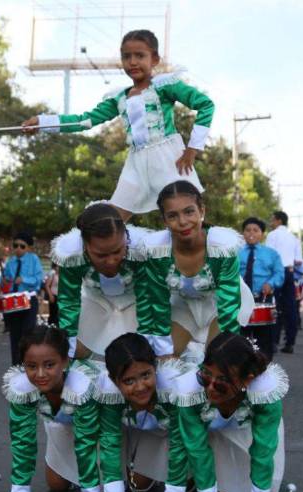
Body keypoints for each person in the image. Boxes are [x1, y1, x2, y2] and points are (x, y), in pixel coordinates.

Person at [22, 30, 214, 221]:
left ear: (154, 59)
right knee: (112, 220)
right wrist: (42, 123)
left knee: (185, 214)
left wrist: (192, 150)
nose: (132, 62)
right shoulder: (119, 97)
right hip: (136, 163)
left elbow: (206, 105)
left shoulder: (166, 85)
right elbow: (84, 120)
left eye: (140, 55)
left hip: (168, 158)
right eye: (126, 57)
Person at [83, 333, 208, 492]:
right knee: (138, 484)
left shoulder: (176, 385)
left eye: (146, 375)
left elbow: (180, 442)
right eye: (129, 381)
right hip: (151, 433)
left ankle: (190, 478)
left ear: (155, 367)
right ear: (114, 381)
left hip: (205, 433)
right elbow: (109, 442)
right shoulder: (107, 392)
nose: (140, 386)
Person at [173, 332, 288, 492]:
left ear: (246, 380)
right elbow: (197, 449)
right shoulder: (190, 390)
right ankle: (199, 482)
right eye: (206, 376)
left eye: (221, 382)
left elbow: (263, 450)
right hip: (212, 434)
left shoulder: (266, 393)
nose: (210, 388)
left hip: (247, 433)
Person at [0, 326, 98, 492]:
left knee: (133, 484)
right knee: (56, 485)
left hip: (102, 432)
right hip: (64, 428)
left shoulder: (83, 384)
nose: (40, 374)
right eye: (31, 366)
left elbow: (88, 442)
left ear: (65, 362)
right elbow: (22, 443)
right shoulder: (21, 389)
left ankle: (131, 464)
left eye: (49, 365)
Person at [136, 181, 249, 357]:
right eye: (172, 216)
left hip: (219, 307)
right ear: (164, 220)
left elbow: (229, 306)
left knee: (217, 359)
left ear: (201, 210)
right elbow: (158, 304)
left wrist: (227, 349)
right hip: (183, 307)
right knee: (162, 360)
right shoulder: (157, 252)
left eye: (189, 212)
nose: (183, 222)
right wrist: (161, 350)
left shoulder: (222, 247)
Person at [51, 202, 149, 359]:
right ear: (84, 246)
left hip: (136, 303)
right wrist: (67, 350)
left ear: (126, 238)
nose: (111, 261)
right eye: (101, 255)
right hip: (94, 301)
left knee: (141, 354)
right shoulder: (72, 256)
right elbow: (69, 303)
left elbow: (148, 298)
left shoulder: (143, 250)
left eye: (117, 251)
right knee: (77, 352)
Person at [238, 217, 284, 361]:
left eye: (255, 230)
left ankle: (264, 371)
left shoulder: (271, 254)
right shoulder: (235, 253)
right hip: (240, 299)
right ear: (243, 233)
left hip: (263, 298)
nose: (251, 233)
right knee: (240, 339)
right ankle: (241, 372)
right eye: (247, 230)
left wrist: (270, 284)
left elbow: (279, 274)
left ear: (262, 234)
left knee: (264, 340)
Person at [0, 232, 43, 365]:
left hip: (29, 299)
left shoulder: (34, 259)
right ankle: (16, 366)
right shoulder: (10, 262)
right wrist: (5, 280)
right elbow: (5, 280)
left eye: (22, 246)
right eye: (15, 245)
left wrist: (24, 279)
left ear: (28, 248)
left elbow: (38, 279)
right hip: (13, 301)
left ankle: (29, 364)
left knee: (28, 333)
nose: (18, 248)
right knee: (15, 335)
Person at [265, 211, 303, 354]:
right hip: (290, 272)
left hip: (276, 272)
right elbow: (299, 261)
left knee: (274, 306)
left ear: (279, 221)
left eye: (272, 219)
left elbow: (268, 256)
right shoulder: (294, 238)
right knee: (291, 308)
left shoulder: (272, 235)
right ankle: (290, 343)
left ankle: (273, 341)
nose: (271, 222)